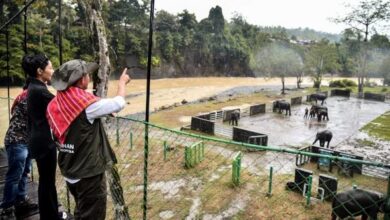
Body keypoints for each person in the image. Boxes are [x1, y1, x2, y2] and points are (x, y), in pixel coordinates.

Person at [46, 60, 130, 219]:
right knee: (93, 214)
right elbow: (118, 104)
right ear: (81, 79)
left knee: (83, 209)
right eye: (87, 74)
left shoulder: (55, 103)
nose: (89, 77)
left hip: (69, 169)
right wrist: (122, 83)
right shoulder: (86, 105)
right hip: (88, 174)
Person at [25, 54, 66, 220]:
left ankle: (50, 214)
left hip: (37, 140)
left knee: (46, 181)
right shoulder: (40, 90)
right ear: (40, 71)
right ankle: (51, 216)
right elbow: (61, 105)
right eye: (50, 67)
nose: (53, 70)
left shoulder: (33, 87)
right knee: (48, 182)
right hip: (44, 142)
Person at [0, 76, 38, 218]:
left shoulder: (22, 96)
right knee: (15, 175)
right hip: (17, 141)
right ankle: (7, 208)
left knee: (24, 172)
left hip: (24, 141)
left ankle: (20, 200)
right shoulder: (29, 97)